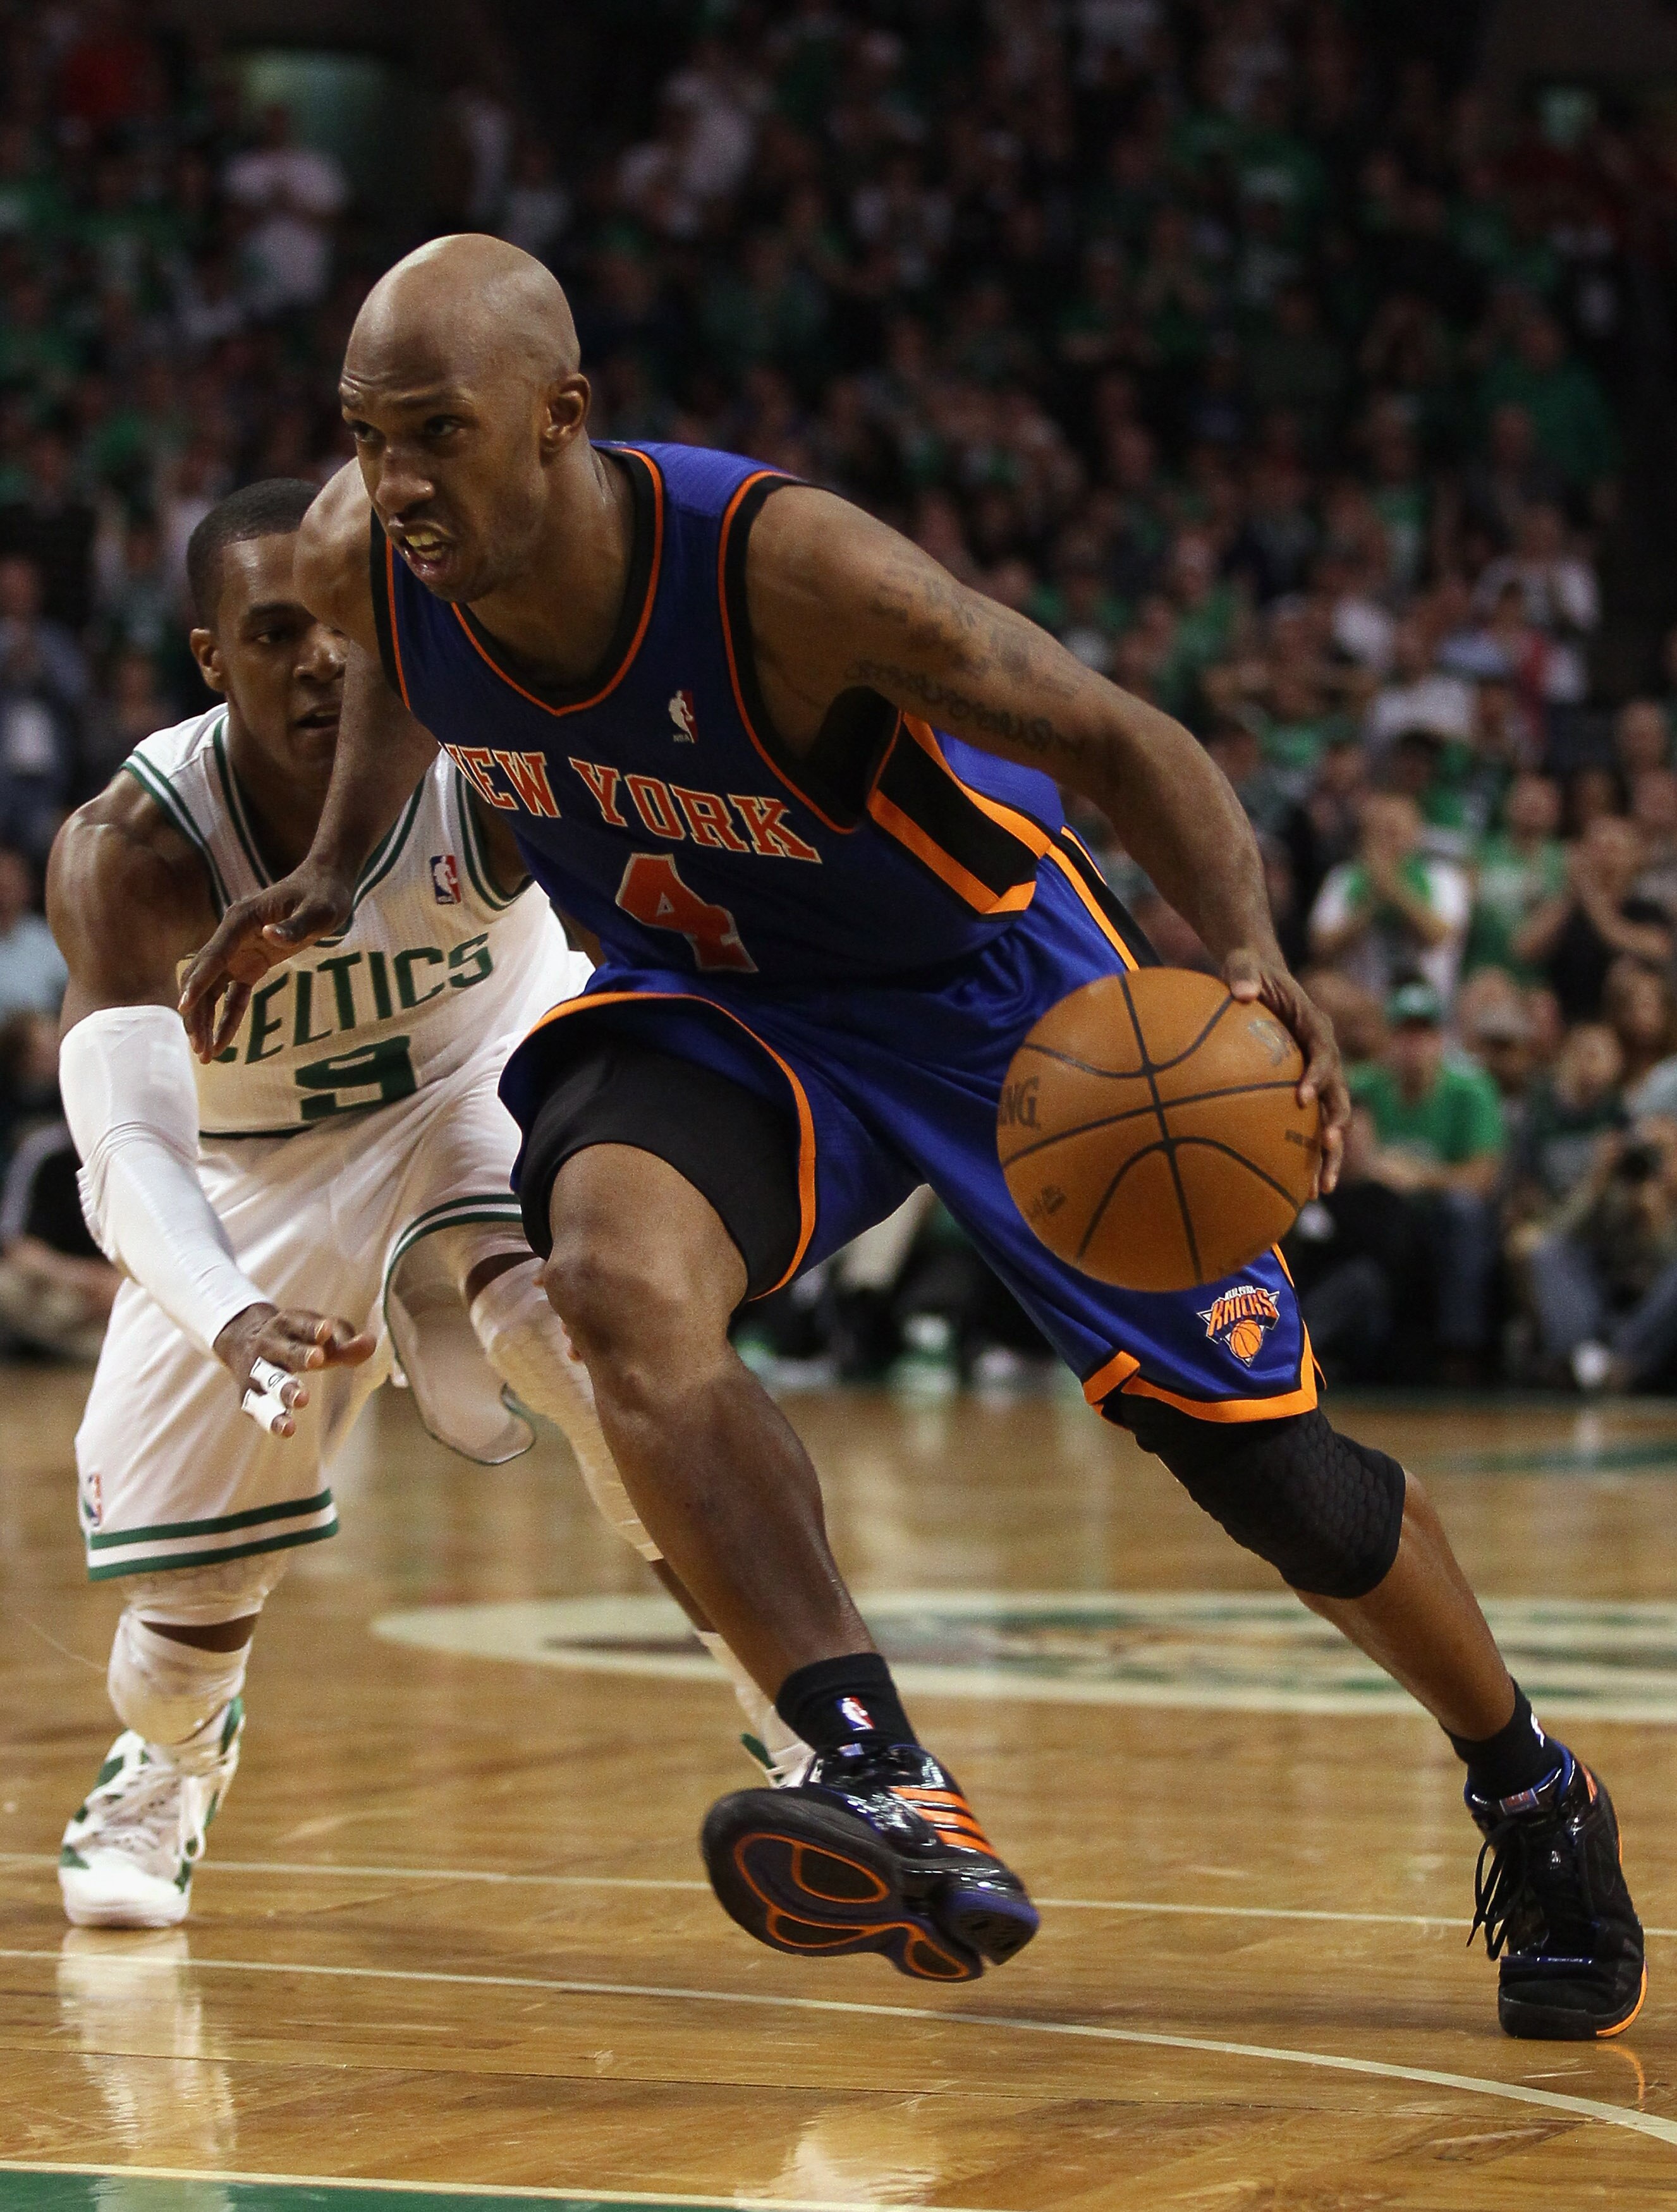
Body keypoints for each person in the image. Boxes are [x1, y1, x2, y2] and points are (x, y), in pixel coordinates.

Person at [181, 238, 1642, 2036]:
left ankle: (1527, 1784)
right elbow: (411, 680)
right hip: (713, 994)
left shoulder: (786, 573)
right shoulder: (372, 552)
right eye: (364, 433)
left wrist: (1251, 961)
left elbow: (1117, 739)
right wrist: (332, 871)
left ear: (563, 418)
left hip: (989, 997)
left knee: (1269, 1472)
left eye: (436, 433)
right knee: (615, 1291)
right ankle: (877, 1768)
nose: (396, 480)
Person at [47, 480, 802, 1931]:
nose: (321, 660)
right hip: (245, 1168)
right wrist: (221, 1310)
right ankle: (173, 1755)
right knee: (180, 1627)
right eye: (275, 633)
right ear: (212, 657)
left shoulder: (470, 767)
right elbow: (126, 1142)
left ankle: (792, 1697)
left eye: (343, 626)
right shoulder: (132, 849)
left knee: (568, 1332)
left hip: (483, 1073)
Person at [1351, 981, 1506, 1373]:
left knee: (1462, 1212)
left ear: (1440, 1040)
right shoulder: (1366, 1086)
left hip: (1444, 1218)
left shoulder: (1470, 1090)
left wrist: (1418, 1178)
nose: (1414, 1045)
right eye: (1405, 1033)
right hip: (1388, 1217)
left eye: (1424, 1033)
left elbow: (1484, 1176)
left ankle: (1460, 1350)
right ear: (1389, 1040)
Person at [1307, 792, 1470, 1002]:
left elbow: (1440, 936)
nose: (1390, 842)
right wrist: (1370, 903)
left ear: (1416, 834)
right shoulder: (1345, 877)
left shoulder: (1444, 878)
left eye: (1396, 832)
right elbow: (1320, 947)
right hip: (1363, 1001)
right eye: (1381, 832)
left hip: (1426, 1004)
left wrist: (1395, 891)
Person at [1513, 814, 1671, 1024]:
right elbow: (1523, 949)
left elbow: (1657, 949)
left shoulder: (1648, 911)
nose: (1604, 857)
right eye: (1597, 847)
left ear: (1634, 858)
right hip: (1563, 1018)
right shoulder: (1566, 907)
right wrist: (1571, 895)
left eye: (1614, 848)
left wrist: (1590, 894)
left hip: (1619, 1023)